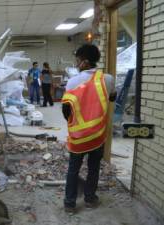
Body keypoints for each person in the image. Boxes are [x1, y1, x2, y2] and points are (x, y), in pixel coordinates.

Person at [61, 44, 116, 214]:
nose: (76, 64)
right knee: (94, 167)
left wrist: (76, 124)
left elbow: (66, 111)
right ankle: (90, 199)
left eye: (77, 61)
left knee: (73, 169)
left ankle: (70, 204)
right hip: (98, 134)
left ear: (84, 62)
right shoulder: (108, 79)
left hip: (78, 136)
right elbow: (112, 98)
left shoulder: (72, 82)